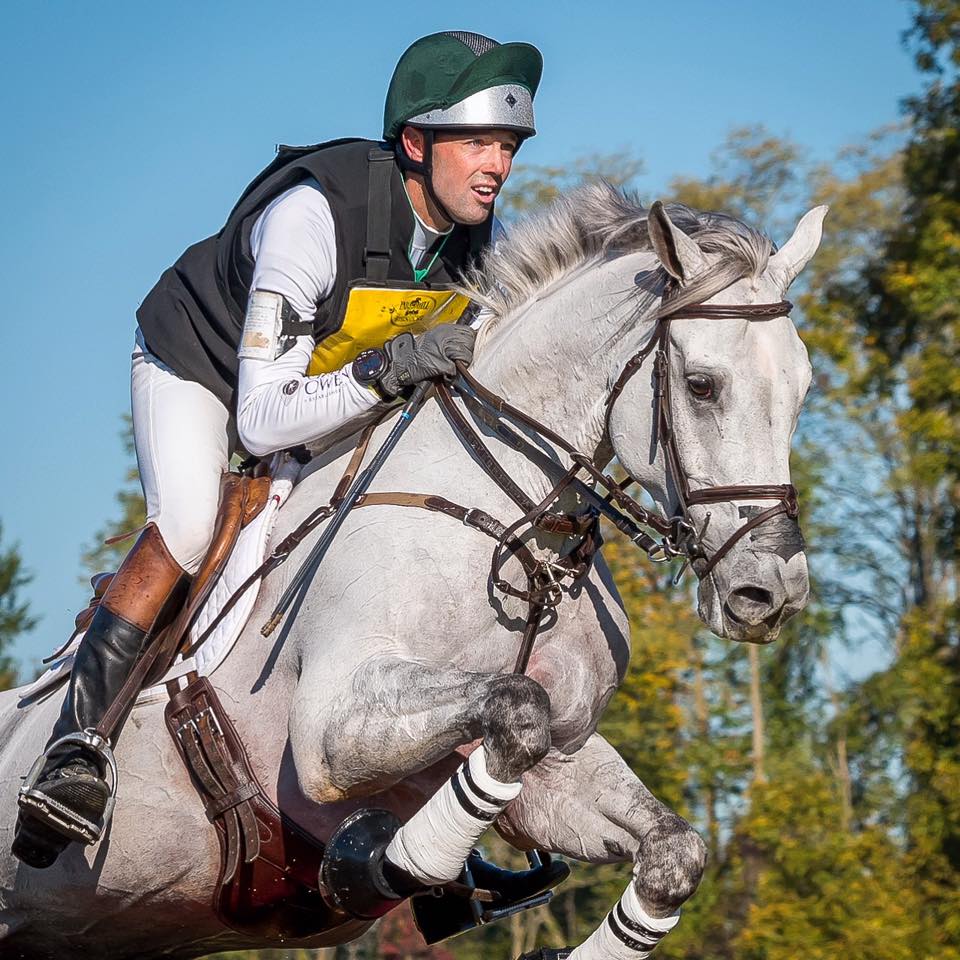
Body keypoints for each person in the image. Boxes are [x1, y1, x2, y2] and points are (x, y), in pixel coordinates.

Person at [13, 30, 542, 869]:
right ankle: (73, 752)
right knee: (190, 524)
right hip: (205, 373)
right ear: (415, 141)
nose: (498, 166)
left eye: (507, 146)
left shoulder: (471, 245)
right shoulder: (314, 213)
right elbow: (259, 423)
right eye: (478, 141)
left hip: (310, 391)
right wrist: (389, 370)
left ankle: (433, 839)